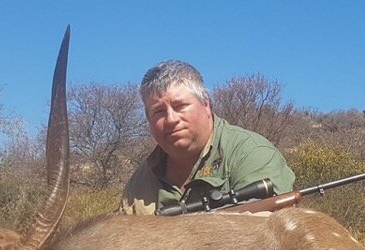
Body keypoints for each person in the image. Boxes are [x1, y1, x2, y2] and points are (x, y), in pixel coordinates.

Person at [120, 60, 295, 215]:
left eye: (180, 106)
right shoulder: (140, 181)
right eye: (158, 111)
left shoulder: (252, 154)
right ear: (148, 119)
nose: (171, 119)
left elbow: (269, 234)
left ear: (207, 105)